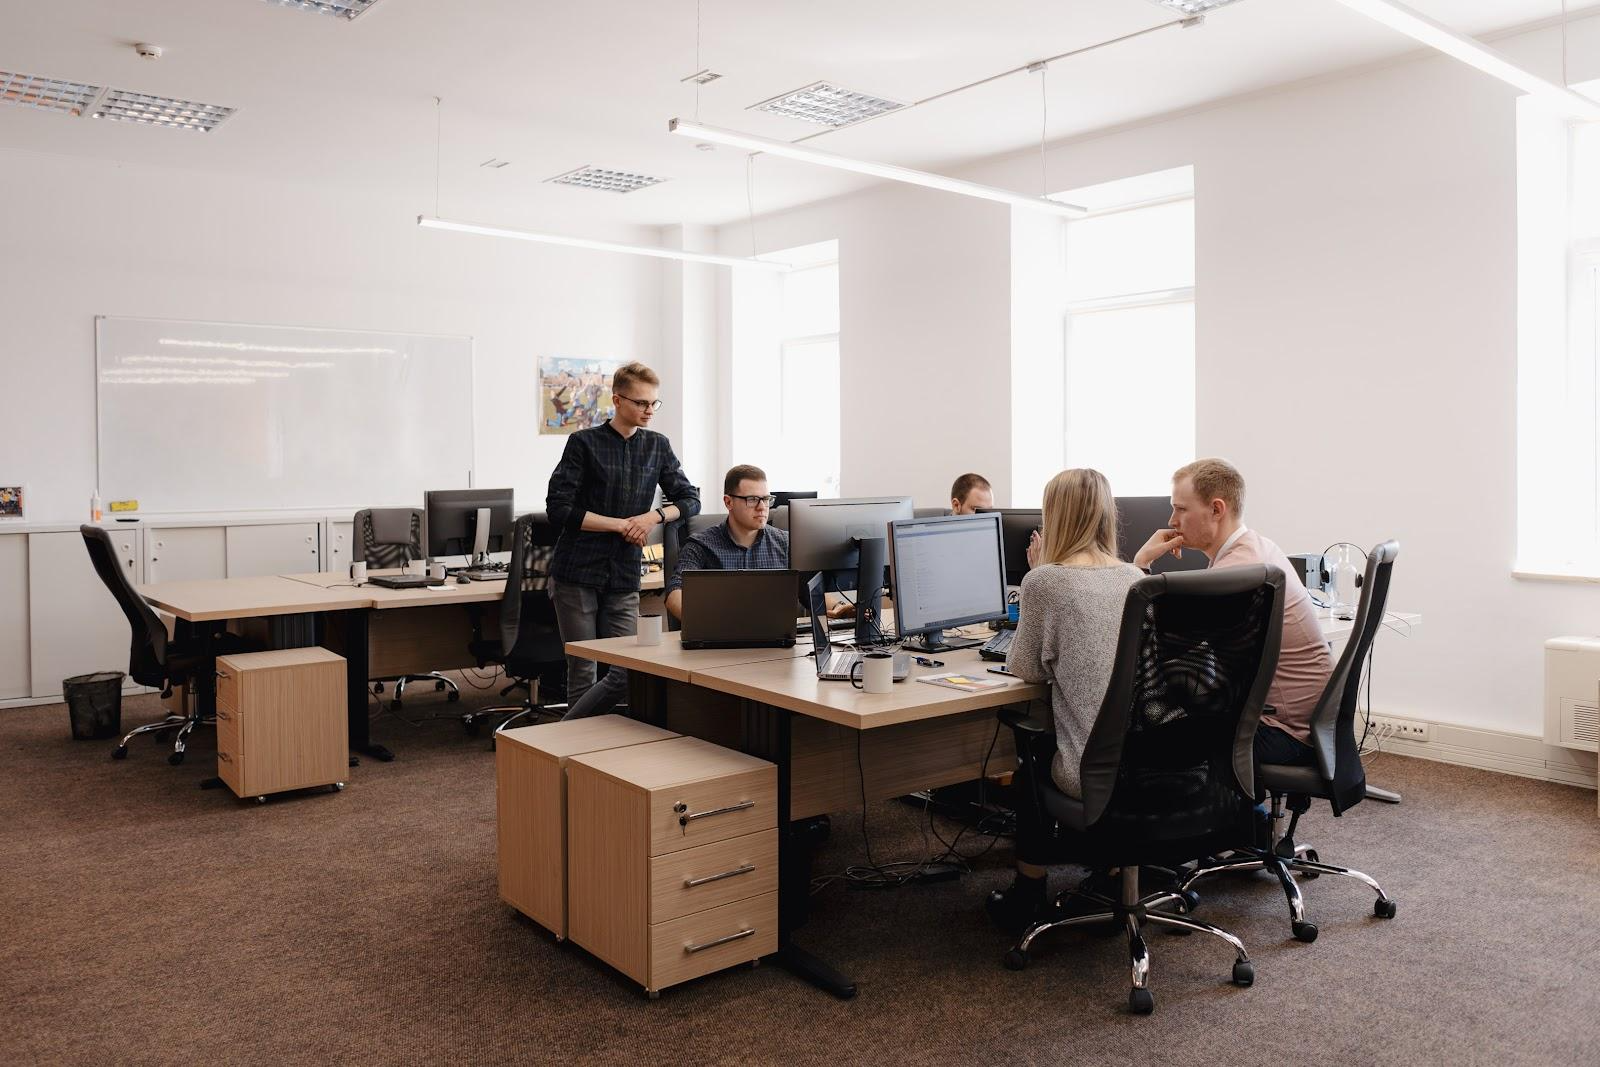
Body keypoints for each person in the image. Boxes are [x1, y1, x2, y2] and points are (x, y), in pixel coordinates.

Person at [986, 468, 1143, 933]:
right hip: (1152, 764)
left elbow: (1027, 670)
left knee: (1032, 751)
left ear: (1054, 516)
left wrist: (1036, 577)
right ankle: (1114, 872)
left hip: (1091, 773)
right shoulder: (1135, 576)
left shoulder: (1047, 581)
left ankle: (1028, 893)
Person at [1132, 457, 1333, 768]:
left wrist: (1140, 564)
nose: (1172, 520)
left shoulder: (1239, 571)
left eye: (1181, 508)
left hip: (1285, 733)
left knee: (1142, 742)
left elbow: (1160, 643)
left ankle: (1224, 813)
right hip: (1310, 726)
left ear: (1216, 509)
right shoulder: (1254, 550)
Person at [545, 362, 700, 719]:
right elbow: (559, 508)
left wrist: (653, 517)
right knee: (583, 667)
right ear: (617, 400)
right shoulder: (583, 443)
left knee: (629, 667)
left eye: (654, 404)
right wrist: (619, 525)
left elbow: (690, 500)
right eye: (641, 403)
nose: (649, 411)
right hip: (577, 570)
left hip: (624, 571)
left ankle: (586, 737)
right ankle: (573, 746)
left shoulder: (658, 446)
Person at [664, 464, 789, 621]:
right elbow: (675, 592)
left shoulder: (785, 543)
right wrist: (708, 624)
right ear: (728, 502)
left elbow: (809, 592)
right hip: (720, 639)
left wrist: (830, 606)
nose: (762, 507)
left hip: (775, 638)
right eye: (752, 499)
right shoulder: (701, 545)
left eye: (766, 499)